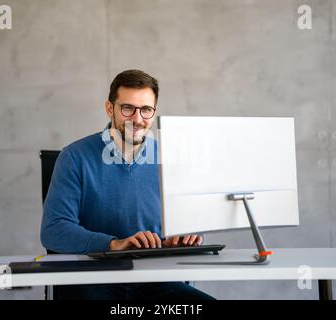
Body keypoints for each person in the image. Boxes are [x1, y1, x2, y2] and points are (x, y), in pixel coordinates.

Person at [41, 69, 214, 300]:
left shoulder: (169, 159)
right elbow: (54, 230)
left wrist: (184, 236)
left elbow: (188, 220)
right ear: (110, 108)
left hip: (155, 279)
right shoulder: (74, 157)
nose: (138, 119)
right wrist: (113, 244)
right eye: (128, 108)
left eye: (146, 110)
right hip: (93, 279)